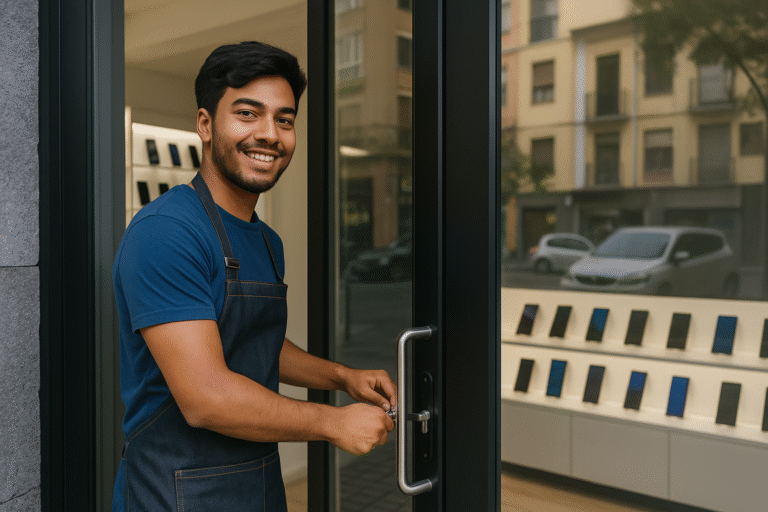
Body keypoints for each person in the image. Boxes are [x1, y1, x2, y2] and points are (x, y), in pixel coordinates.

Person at [112, 41, 396, 511]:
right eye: (247, 114)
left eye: (284, 120)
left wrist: (342, 376)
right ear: (206, 124)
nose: (269, 134)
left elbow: (250, 340)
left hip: (256, 484)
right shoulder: (167, 232)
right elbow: (206, 397)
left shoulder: (265, 241)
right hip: (173, 492)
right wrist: (332, 422)